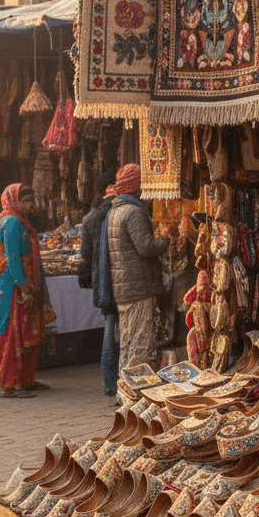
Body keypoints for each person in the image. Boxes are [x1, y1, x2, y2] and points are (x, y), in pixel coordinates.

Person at [106, 163, 169, 370]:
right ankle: (135, 393)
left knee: (128, 342)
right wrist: (166, 241)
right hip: (139, 288)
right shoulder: (133, 212)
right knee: (140, 344)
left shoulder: (116, 211)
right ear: (137, 187)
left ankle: (125, 391)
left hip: (126, 288)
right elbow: (146, 247)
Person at [0, 183, 46, 398]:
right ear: (13, 200)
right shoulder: (11, 222)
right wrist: (24, 289)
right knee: (12, 335)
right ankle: (10, 385)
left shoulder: (20, 221)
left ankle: (25, 380)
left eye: (30, 200)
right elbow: (12, 260)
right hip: (12, 287)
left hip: (20, 285)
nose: (28, 204)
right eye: (24, 200)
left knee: (25, 332)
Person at [79, 172, 118, 396]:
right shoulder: (120, 212)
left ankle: (109, 382)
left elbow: (85, 253)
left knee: (109, 328)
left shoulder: (90, 217)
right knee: (116, 332)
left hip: (101, 280)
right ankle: (115, 381)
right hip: (118, 278)